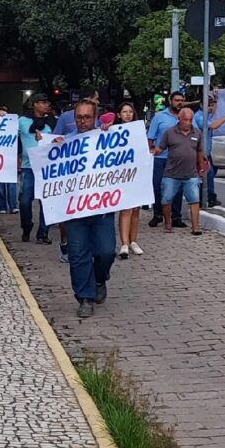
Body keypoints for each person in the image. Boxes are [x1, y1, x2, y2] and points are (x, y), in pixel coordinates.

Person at [54, 99, 116, 318]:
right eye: (79, 117)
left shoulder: (107, 139)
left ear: (95, 117)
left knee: (106, 252)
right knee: (78, 255)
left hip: (102, 209)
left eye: (87, 117)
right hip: (75, 211)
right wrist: (51, 147)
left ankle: (100, 278)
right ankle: (85, 298)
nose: (82, 121)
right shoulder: (65, 144)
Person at [154, 108, 206, 235]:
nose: (188, 123)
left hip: (191, 173)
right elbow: (161, 148)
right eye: (185, 120)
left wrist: (201, 167)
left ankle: (195, 226)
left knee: (194, 200)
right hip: (171, 173)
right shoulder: (170, 133)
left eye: (190, 120)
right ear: (179, 119)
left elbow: (199, 151)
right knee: (166, 199)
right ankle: (168, 223)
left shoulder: (197, 133)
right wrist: (153, 151)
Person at [18, 93, 56, 244]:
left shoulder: (52, 123)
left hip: (46, 168)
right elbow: (7, 135)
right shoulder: (22, 121)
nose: (46, 105)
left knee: (45, 201)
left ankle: (43, 233)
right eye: (42, 102)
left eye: (47, 102)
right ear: (34, 104)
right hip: (28, 167)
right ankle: (26, 226)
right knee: (25, 201)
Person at [147, 92, 187, 228]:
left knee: (177, 188)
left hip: (178, 159)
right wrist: (150, 151)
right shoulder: (159, 117)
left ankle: (176, 216)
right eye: (176, 100)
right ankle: (157, 214)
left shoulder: (186, 118)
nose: (179, 103)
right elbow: (150, 138)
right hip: (160, 158)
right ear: (170, 101)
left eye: (182, 100)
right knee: (157, 186)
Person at [193, 95, 225, 207]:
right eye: (209, 105)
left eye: (213, 105)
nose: (212, 108)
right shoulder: (199, 117)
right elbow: (212, 126)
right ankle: (208, 197)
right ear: (202, 105)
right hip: (201, 152)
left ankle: (205, 196)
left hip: (207, 151)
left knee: (209, 173)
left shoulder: (208, 116)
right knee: (208, 173)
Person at [115, 102, 144, 259]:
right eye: (124, 111)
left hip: (137, 174)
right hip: (121, 175)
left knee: (136, 209)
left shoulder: (138, 131)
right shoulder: (114, 132)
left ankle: (134, 241)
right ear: (119, 114)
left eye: (130, 112)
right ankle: (124, 243)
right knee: (125, 209)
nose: (128, 114)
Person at [0, 106, 18, 214]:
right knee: (0, 185)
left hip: (10, 158)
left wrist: (18, 156)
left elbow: (17, 143)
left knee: (11, 184)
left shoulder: (12, 126)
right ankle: (2, 207)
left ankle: (13, 206)